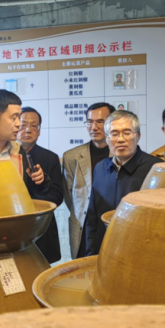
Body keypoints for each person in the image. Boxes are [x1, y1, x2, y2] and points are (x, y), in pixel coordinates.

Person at [83, 110, 162, 256]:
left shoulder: (156, 169)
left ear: (138, 136)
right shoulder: (100, 168)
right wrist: (91, 253)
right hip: (105, 249)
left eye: (127, 133)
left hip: (141, 251)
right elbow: (92, 217)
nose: (120, 139)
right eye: (114, 134)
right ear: (107, 138)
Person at [62, 102, 114, 259]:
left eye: (100, 122)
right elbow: (69, 196)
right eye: (90, 122)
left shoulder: (120, 155)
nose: (94, 127)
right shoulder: (71, 157)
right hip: (82, 227)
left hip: (112, 225)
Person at [17, 107, 63, 263]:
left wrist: (42, 184)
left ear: (39, 130)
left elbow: (58, 197)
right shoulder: (5, 156)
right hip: (13, 228)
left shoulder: (50, 158)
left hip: (42, 229)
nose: (28, 130)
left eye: (34, 126)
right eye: (23, 125)